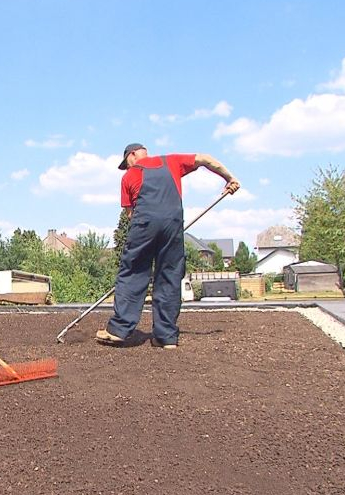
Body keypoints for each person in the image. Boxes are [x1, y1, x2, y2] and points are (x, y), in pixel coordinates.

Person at [96, 143, 240, 349]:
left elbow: (130, 215)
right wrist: (229, 178)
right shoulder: (171, 161)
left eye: (126, 162)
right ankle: (166, 337)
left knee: (134, 272)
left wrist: (146, 235)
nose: (127, 167)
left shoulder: (129, 176)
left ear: (132, 156)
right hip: (173, 224)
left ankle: (119, 330)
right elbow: (206, 159)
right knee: (169, 275)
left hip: (144, 223)